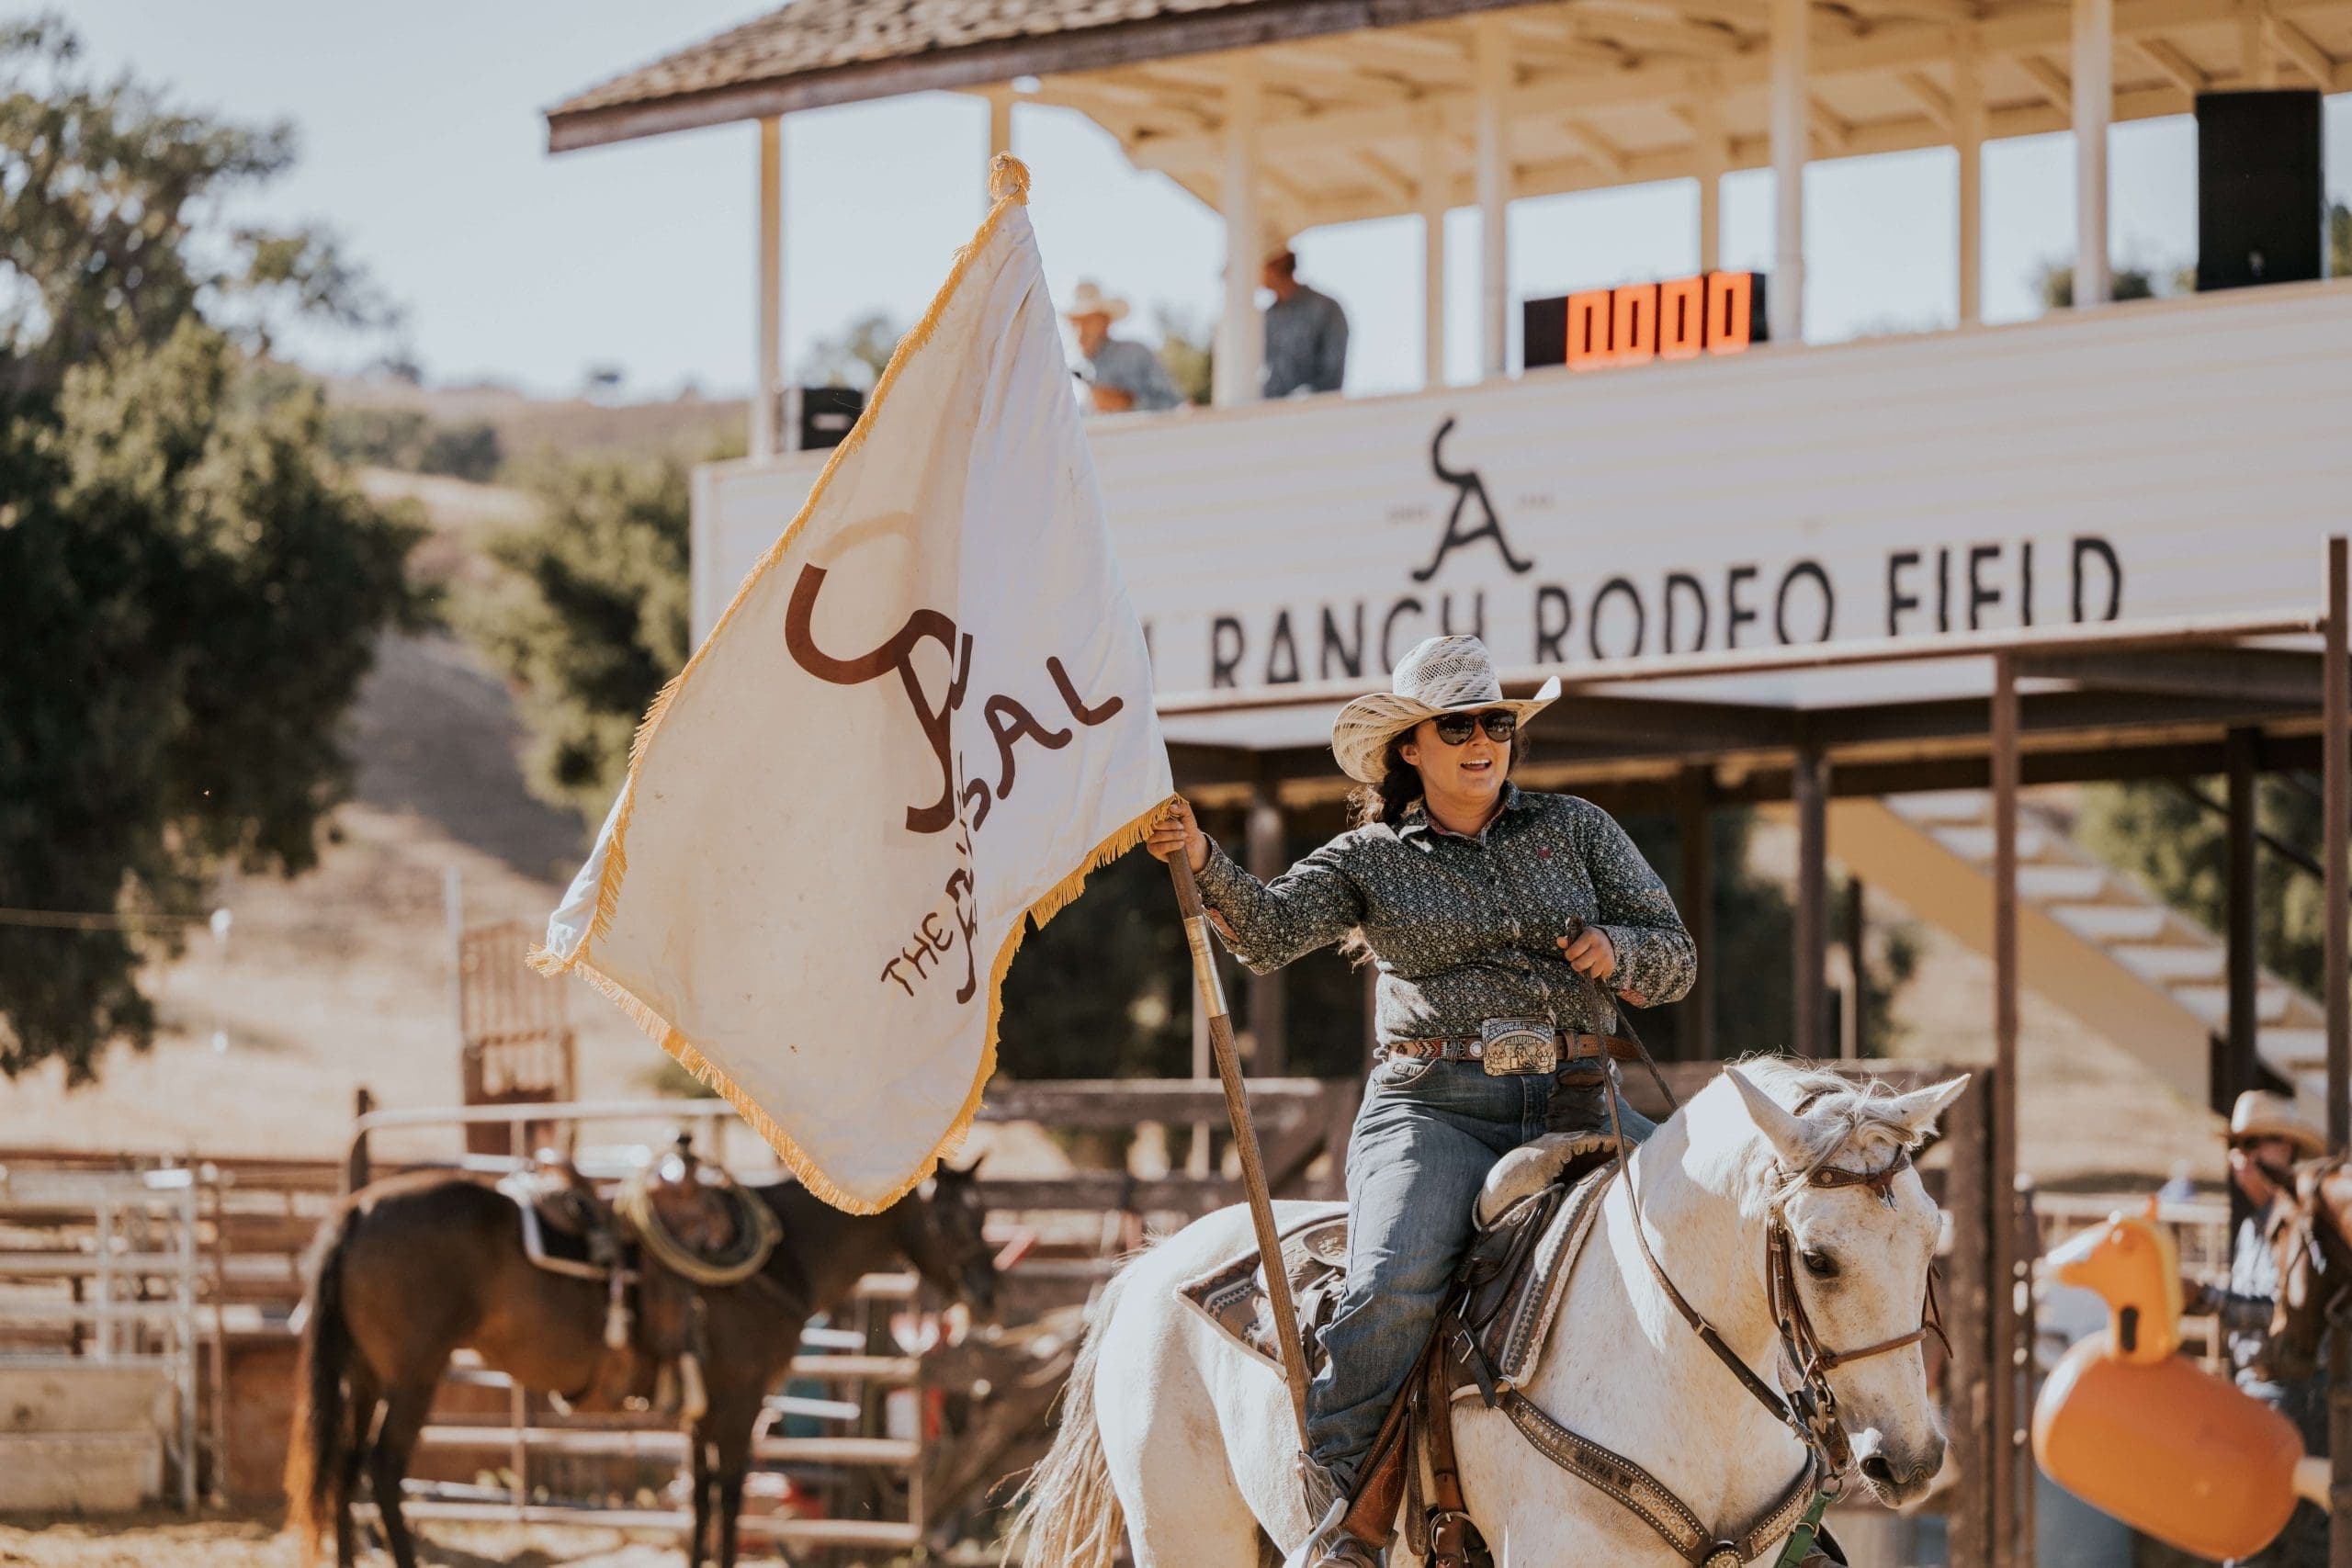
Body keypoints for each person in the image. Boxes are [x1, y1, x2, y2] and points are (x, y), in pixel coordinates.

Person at [1147, 634, 1694, 1568]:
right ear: (1411, 747)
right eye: (1458, 726)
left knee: (1711, 1236)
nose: (1483, 740)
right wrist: (1199, 854)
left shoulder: (1580, 829)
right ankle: (1348, 1517)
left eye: (1495, 722)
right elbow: (1272, 933)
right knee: (1392, 1284)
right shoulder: (1366, 858)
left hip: (1577, 1094)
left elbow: (1674, 958)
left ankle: (1778, 1500)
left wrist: (1621, 950)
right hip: (1433, 1106)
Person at [2188, 1090, 2328, 1568]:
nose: (2244, 1158)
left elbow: (2290, 1312)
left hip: (2298, 1394)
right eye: (2239, 1146)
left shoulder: (2304, 1226)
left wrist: (2207, 1297)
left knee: (2292, 1538)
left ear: (2287, 1151)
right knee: (2252, 1533)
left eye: (2258, 1144)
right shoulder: (2254, 1228)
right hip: (2259, 1392)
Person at [1062, 280, 1180, 414]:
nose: (1080, 330)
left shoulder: (1137, 355)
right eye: (1074, 321)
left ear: (1105, 321)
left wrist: (1128, 402)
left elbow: (1175, 406)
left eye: (1088, 321)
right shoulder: (1061, 366)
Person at [1261, 239, 1349, 399]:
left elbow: (1332, 377)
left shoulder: (1326, 309)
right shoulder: (1265, 319)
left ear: (1276, 263)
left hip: (1312, 417)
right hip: (1269, 418)